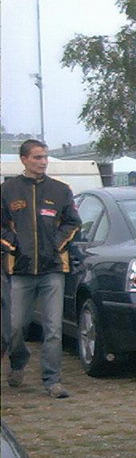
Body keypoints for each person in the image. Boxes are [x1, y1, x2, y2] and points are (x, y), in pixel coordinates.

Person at [1, 139, 82, 398]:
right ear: (24, 159)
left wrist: (56, 243)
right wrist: (13, 244)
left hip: (53, 269)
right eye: (37, 157)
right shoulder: (8, 190)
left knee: (53, 329)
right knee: (15, 327)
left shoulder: (60, 190)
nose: (43, 162)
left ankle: (52, 380)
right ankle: (18, 361)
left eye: (45, 157)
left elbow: (73, 222)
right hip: (20, 270)